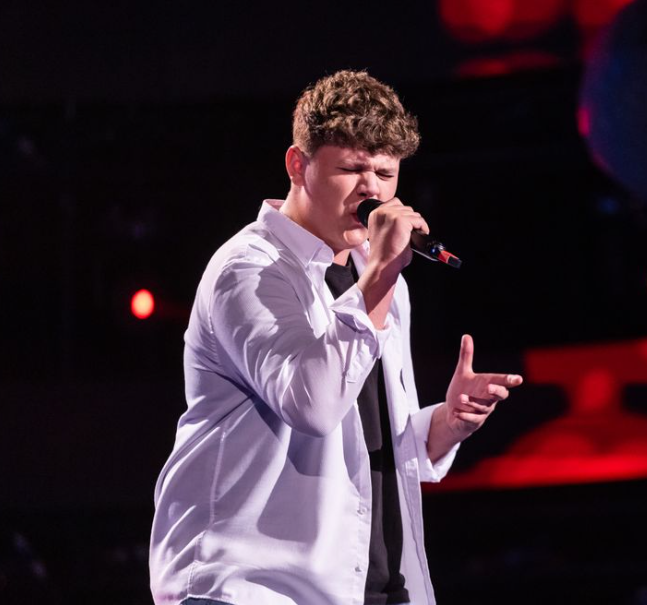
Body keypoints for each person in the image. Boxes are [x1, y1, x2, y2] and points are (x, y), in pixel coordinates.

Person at [148, 70, 523, 605]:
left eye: (385, 173)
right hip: (253, 588)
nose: (372, 189)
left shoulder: (380, 276)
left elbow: (362, 438)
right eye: (350, 169)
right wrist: (382, 277)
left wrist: (446, 423)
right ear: (297, 165)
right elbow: (313, 405)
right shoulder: (249, 271)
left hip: (367, 586)